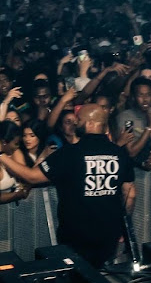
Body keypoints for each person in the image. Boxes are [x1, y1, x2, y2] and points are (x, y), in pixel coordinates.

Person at [0, 105, 135, 267]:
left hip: (76, 235)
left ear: (90, 123)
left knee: (78, 276)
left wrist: (2, 156)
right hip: (109, 232)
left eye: (79, 120)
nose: (76, 123)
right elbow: (130, 194)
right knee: (102, 275)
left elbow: (31, 176)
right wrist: (121, 225)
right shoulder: (120, 153)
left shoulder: (70, 153)